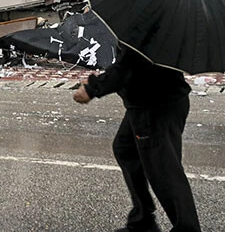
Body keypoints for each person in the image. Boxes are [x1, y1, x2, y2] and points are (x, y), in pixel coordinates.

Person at [74, 44, 201, 232]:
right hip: (156, 99)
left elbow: (128, 65)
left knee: (164, 170)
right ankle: (142, 221)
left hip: (154, 105)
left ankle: (187, 229)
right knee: (126, 149)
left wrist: (93, 88)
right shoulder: (154, 20)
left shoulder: (142, 23)